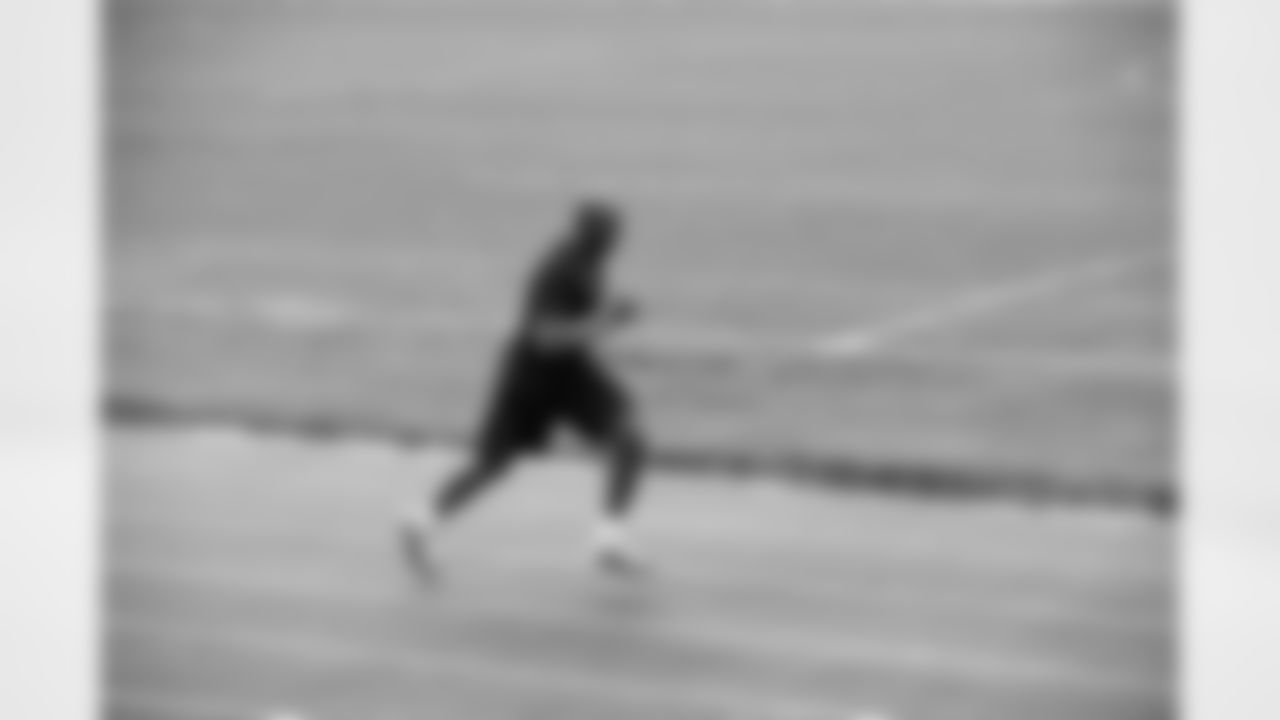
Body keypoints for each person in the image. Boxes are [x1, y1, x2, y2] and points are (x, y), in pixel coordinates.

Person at [399, 200, 650, 575]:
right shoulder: (558, 270)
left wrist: (602, 320)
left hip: (570, 373)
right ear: (590, 236)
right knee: (492, 464)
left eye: (615, 235)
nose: (615, 243)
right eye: (609, 236)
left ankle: (609, 541)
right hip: (529, 379)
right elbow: (545, 338)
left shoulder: (589, 263)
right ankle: (419, 523)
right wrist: (605, 321)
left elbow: (573, 328)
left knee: (629, 436)